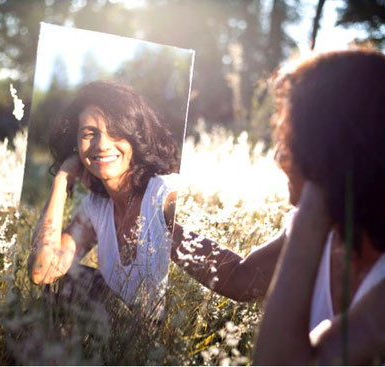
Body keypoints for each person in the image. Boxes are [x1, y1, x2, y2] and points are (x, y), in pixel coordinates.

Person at [27, 80, 277, 320]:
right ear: (75, 146)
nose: (102, 144)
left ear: (135, 137)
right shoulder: (97, 208)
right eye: (89, 133)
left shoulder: (163, 196)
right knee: (65, 282)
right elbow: (43, 271)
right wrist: (61, 180)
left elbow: (238, 281)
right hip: (119, 341)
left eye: (115, 131)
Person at [254, 49, 385, 365]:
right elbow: (236, 277)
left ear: (330, 153)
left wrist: (316, 199)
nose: (279, 159)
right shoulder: (332, 237)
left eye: (293, 140)